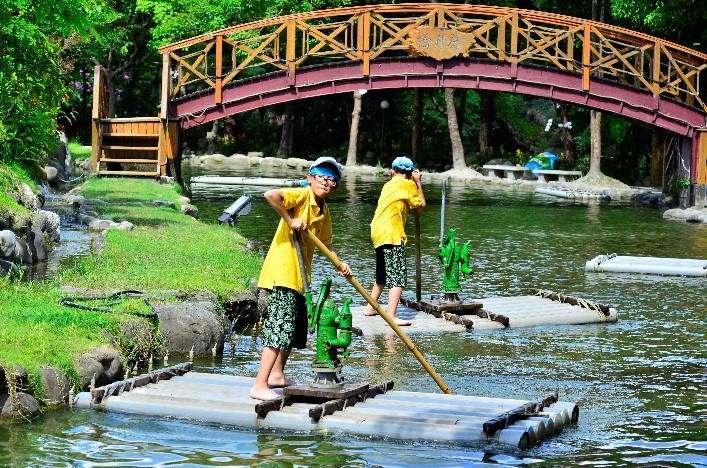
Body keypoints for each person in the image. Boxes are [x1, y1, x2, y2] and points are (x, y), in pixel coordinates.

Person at [249, 156, 352, 401]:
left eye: (332, 180)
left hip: (300, 276)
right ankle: (259, 384)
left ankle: (277, 375)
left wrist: (340, 265)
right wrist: (290, 219)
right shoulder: (302, 195)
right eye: (322, 177)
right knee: (280, 327)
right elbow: (270, 195)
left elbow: (326, 244)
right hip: (283, 272)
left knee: (294, 327)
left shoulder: (324, 211)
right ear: (310, 178)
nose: (326, 183)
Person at [362, 156, 426, 326]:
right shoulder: (408, 184)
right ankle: (391, 315)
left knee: (382, 275)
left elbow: (409, 204)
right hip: (392, 232)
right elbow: (421, 207)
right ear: (410, 173)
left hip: (377, 231)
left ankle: (370, 307)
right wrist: (418, 183)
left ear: (392, 172)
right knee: (397, 276)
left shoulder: (388, 185)